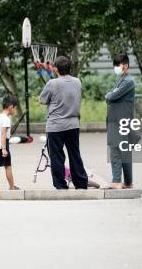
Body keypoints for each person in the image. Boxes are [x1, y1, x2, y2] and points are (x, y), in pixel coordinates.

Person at [39, 56, 88, 189]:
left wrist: (49, 72)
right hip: (73, 125)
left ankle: (61, 185)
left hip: (55, 126)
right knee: (74, 154)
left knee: (57, 156)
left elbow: (42, 100)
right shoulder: (77, 82)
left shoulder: (52, 84)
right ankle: (81, 183)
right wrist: (51, 70)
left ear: (56, 69)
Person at [105, 53, 139, 189]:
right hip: (119, 120)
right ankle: (128, 182)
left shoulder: (128, 81)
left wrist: (109, 94)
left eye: (118, 65)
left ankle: (116, 181)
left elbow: (111, 96)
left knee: (115, 151)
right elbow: (113, 94)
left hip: (120, 121)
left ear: (125, 65)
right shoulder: (121, 79)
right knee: (124, 152)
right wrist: (111, 94)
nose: (116, 68)